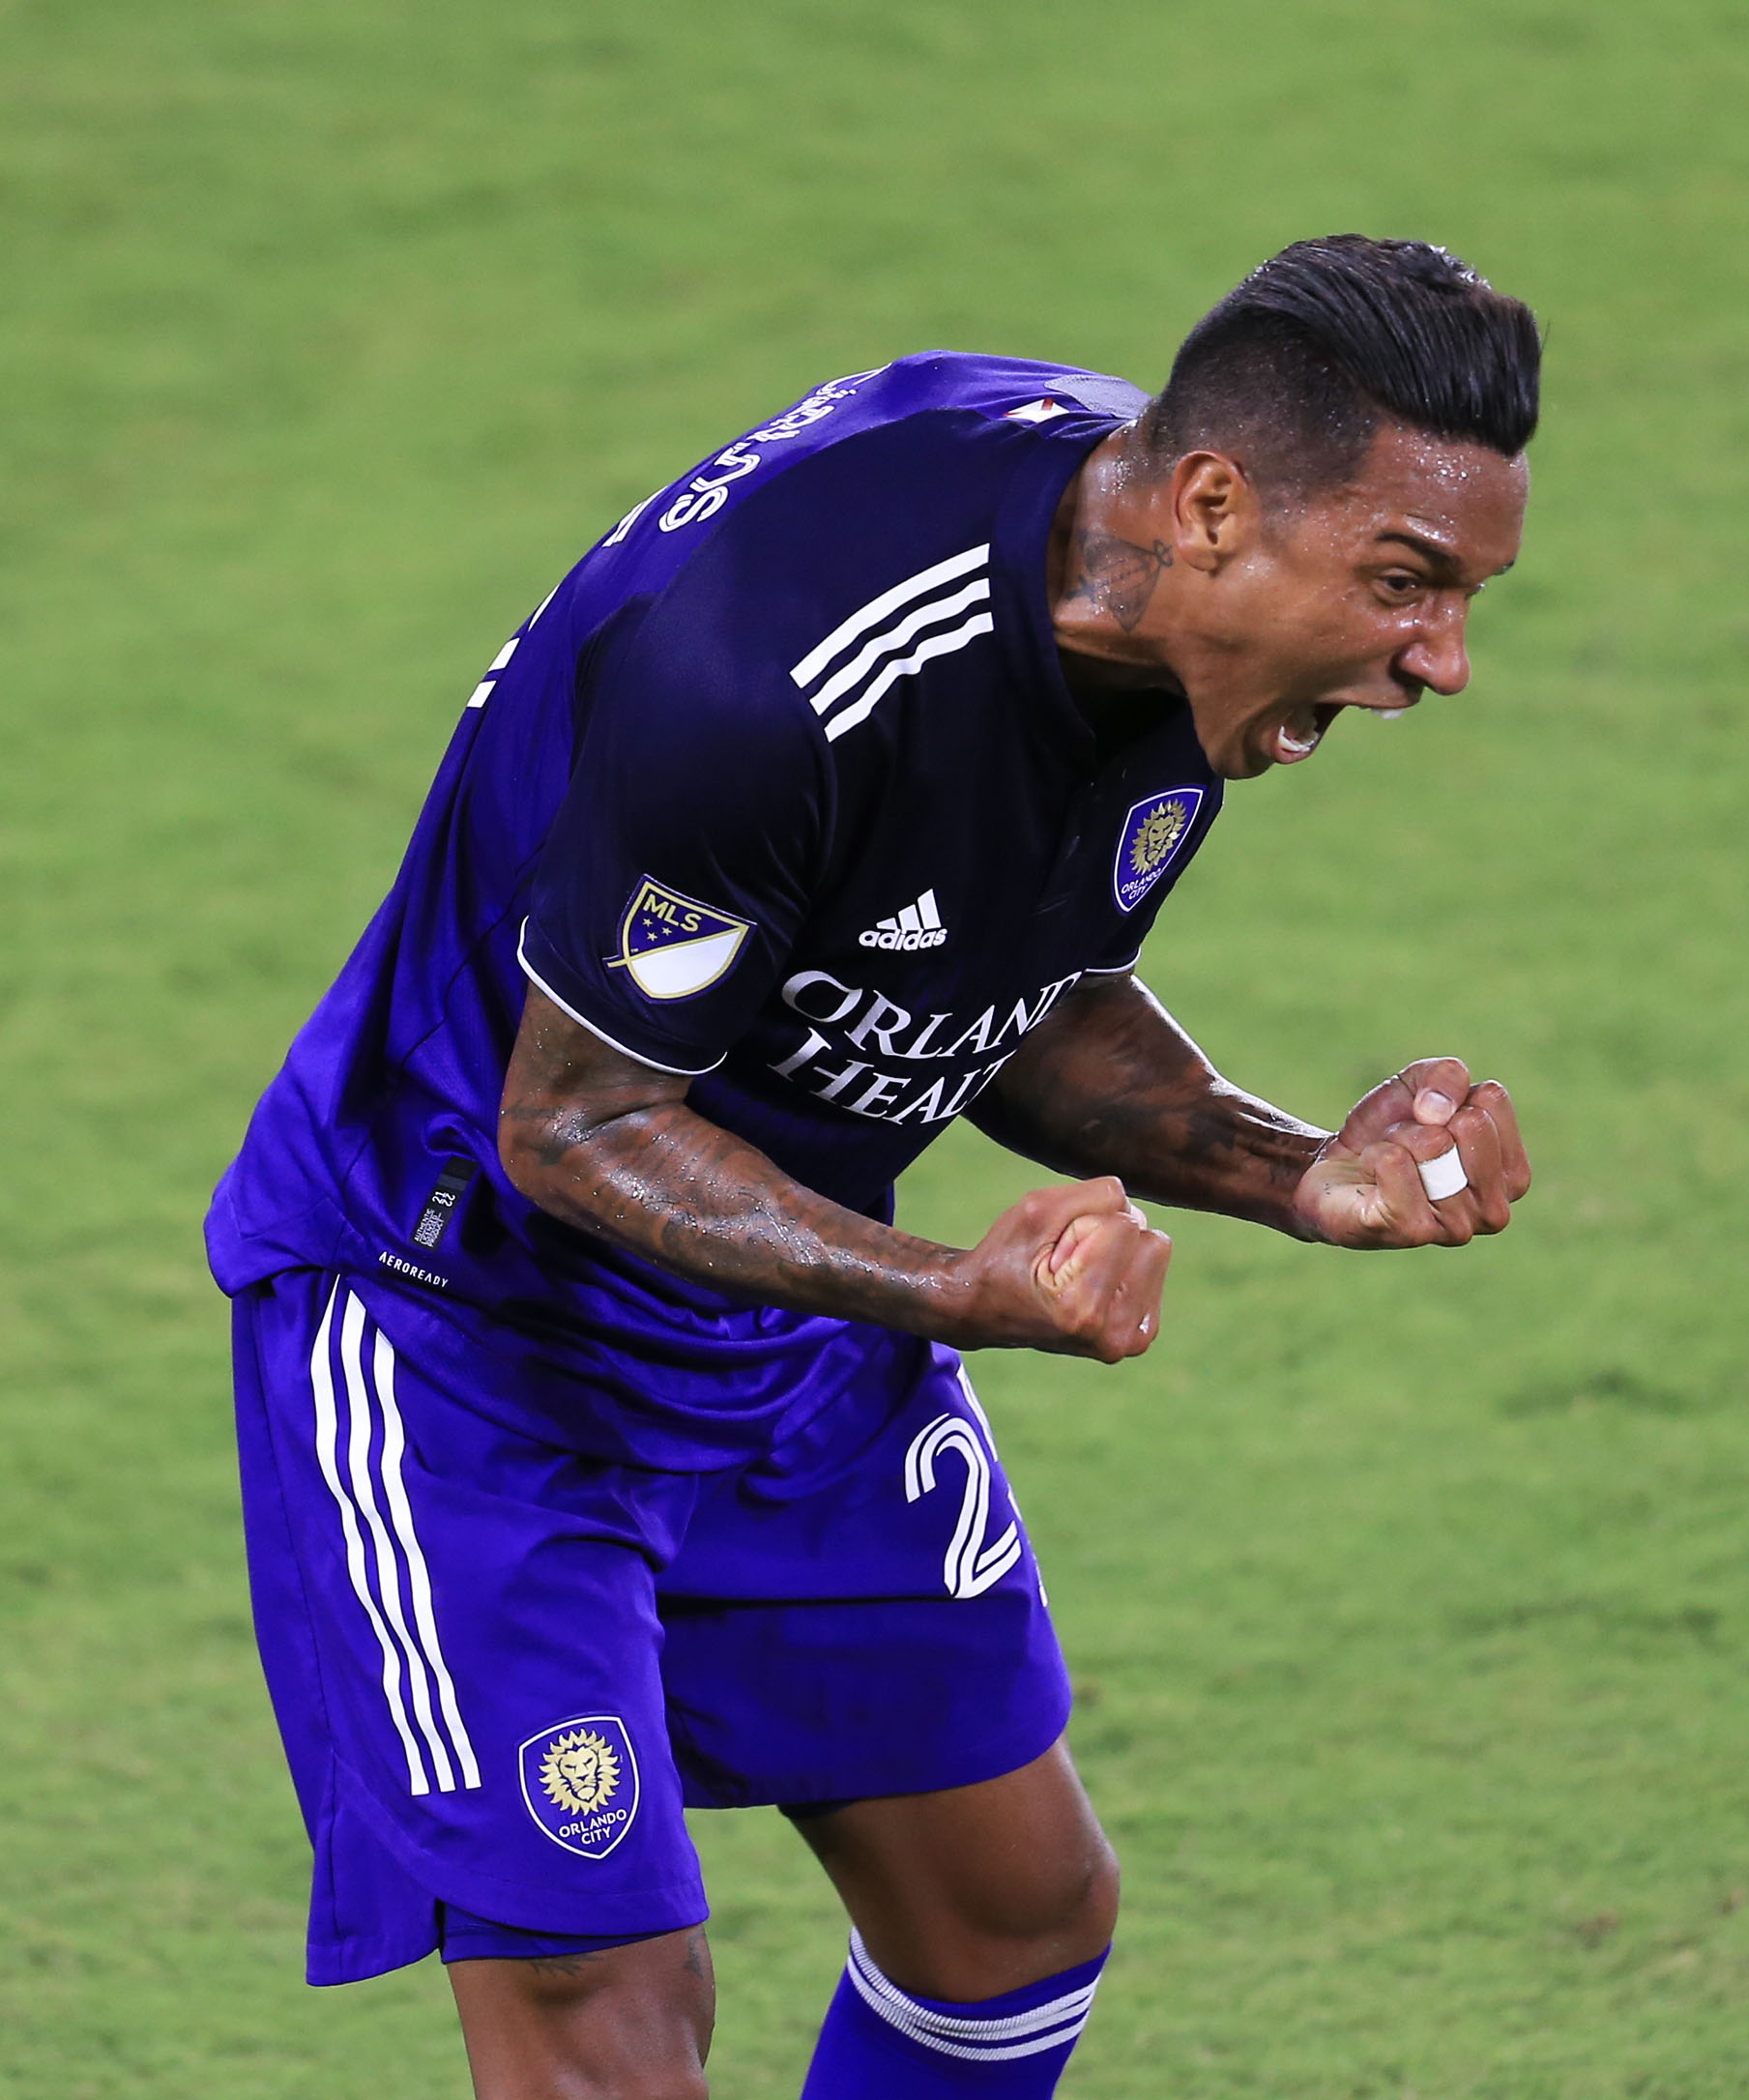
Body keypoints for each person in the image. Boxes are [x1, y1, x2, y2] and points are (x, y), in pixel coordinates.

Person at [208, 233, 1538, 2098]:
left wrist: (1302, 1169)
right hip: (461, 1334)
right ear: (1219, 504)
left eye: (1467, 596)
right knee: (609, 2016)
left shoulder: (1175, 613)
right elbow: (574, 1122)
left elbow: (1003, 984)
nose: (1444, 661)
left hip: (776, 1318)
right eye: (1407, 584)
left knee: (1014, 1911)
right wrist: (956, 1296)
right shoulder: (775, 674)